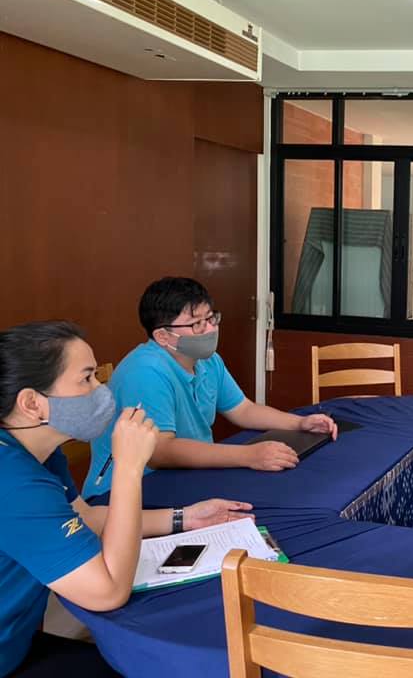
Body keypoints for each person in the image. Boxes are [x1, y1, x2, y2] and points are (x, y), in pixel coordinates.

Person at [0, 321, 253, 676]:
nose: (101, 390)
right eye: (87, 379)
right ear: (32, 403)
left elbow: (84, 517)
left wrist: (184, 517)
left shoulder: (37, 451)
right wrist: (129, 468)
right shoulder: (15, 482)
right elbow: (108, 592)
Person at [84, 278, 338, 497]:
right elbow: (160, 452)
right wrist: (248, 455)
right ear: (162, 336)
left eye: (211, 318)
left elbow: (243, 409)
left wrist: (299, 423)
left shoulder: (208, 360)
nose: (211, 328)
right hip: (130, 492)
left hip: (188, 477)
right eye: (197, 324)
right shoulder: (145, 372)